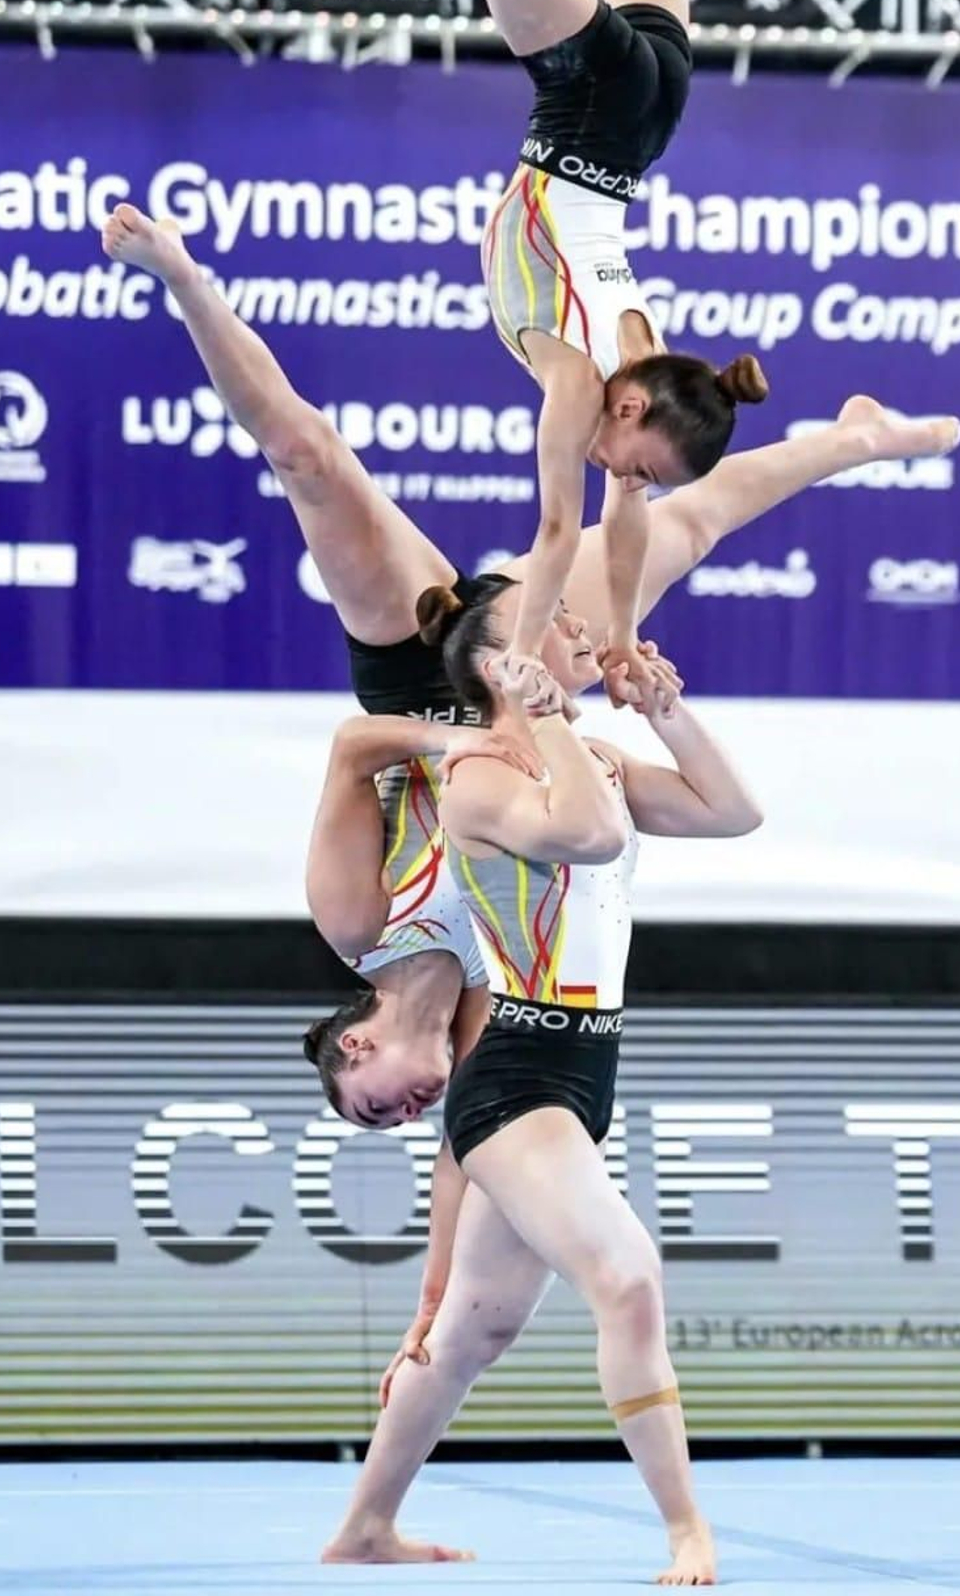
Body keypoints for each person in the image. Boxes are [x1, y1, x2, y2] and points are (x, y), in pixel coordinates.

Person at [98, 205, 960, 1115]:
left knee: (309, 458)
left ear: (355, 1044)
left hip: (416, 671)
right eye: (400, 1121)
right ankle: (855, 438)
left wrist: (457, 744)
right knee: (681, 526)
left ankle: (185, 280)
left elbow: (356, 748)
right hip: (525, 693)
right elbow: (479, 1145)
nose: (406, 1113)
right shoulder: (486, 990)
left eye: (373, 1106)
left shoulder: (357, 922)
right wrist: (530, 723)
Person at [236, 0, 759, 708]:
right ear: (627, 404)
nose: (624, 475)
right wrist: (524, 655)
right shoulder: (577, 388)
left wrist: (621, 638)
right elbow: (559, 536)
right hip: (590, 105)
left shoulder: (646, 362)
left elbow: (628, 519)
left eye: (637, 473)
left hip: (652, 113)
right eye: (633, 457)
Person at [314, 617, 754, 1584]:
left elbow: (732, 813)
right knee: (627, 1276)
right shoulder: (480, 778)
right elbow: (592, 838)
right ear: (496, 666)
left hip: (583, 1069)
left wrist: (667, 715)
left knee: (472, 1328)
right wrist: (545, 717)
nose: (578, 632)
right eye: (547, 628)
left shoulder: (587, 754)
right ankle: (686, 1528)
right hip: (519, 1071)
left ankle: (365, 1526)